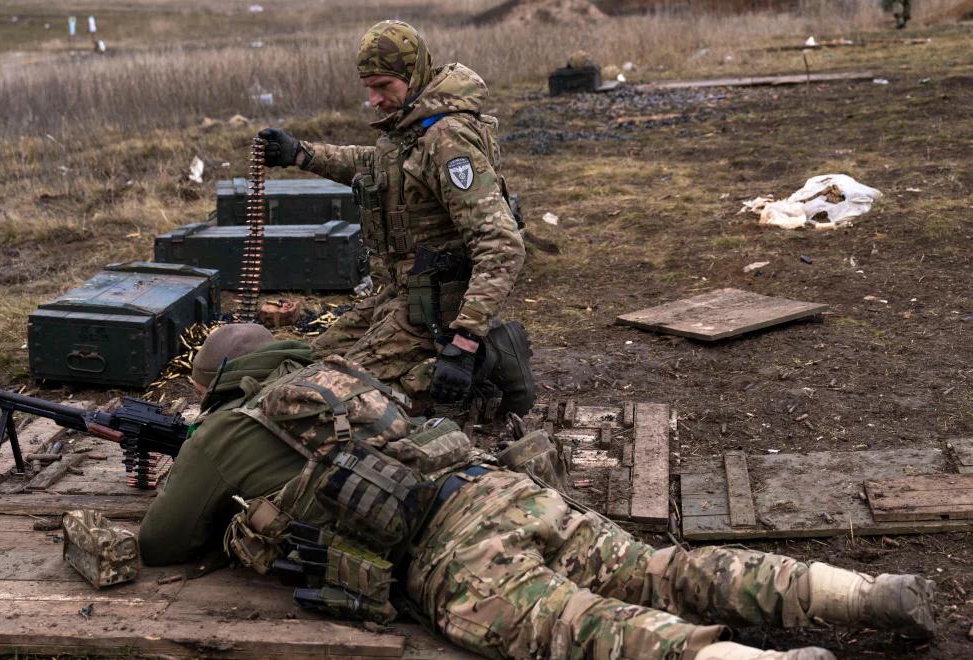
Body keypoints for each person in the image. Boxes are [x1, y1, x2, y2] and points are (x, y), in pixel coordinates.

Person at [139, 324, 937, 660]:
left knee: (589, 632)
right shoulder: (337, 374)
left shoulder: (222, 429)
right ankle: (869, 594)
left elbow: (162, 542)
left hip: (452, 554)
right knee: (659, 570)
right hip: (502, 488)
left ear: (213, 386)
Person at [257, 20, 527, 410]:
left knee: (320, 398)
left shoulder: (447, 139)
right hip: (399, 296)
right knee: (305, 361)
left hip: (435, 317)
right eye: (369, 86)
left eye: (383, 86)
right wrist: (301, 153)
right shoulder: (413, 128)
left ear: (412, 75)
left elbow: (502, 246)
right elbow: (378, 164)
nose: (373, 99)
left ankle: (482, 362)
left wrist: (464, 342)